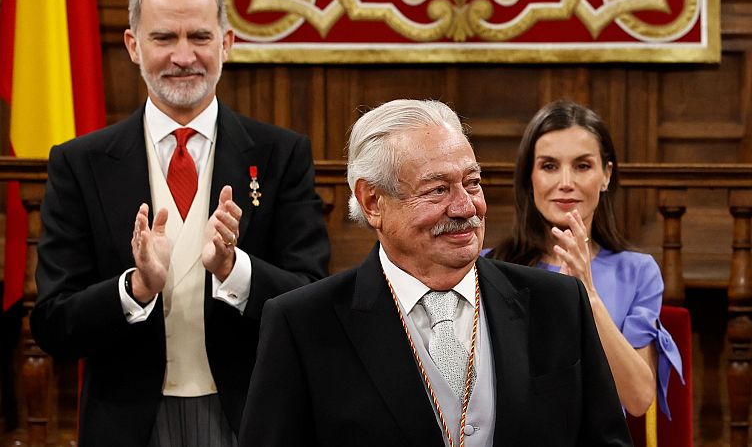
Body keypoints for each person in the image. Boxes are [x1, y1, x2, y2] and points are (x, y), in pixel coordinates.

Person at [238, 99, 632, 446]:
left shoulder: (558, 302)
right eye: (437, 190)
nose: (465, 208)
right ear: (373, 201)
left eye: (472, 183)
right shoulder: (303, 325)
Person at [31, 0, 330, 445]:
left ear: (226, 42)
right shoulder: (80, 163)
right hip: (127, 424)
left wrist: (235, 271)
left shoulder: (280, 155)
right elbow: (53, 325)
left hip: (248, 416)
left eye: (200, 37)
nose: (184, 56)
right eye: (164, 37)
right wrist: (135, 289)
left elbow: (312, 301)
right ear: (133, 46)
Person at [489, 100, 683, 418]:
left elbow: (638, 399)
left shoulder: (638, 272)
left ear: (606, 175)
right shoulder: (491, 268)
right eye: (549, 166)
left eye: (582, 166)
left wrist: (587, 294)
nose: (566, 181)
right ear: (529, 177)